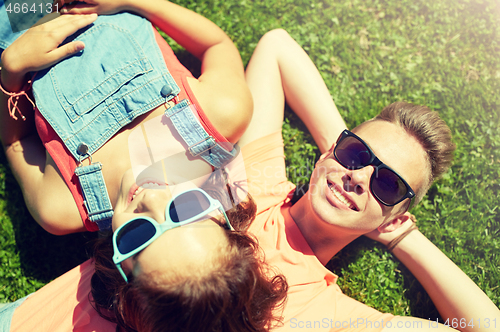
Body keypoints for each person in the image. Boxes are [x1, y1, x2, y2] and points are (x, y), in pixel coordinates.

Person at [0, 1, 287, 331]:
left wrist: (12, 70)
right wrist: (132, 1)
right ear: (221, 216)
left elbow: (14, 141)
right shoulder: (219, 115)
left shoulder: (61, 206)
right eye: (185, 210)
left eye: (138, 235)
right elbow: (215, 45)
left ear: (119, 275)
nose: (151, 199)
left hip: (14, 25)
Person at [237, 29, 500, 331]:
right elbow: (277, 46)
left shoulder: (327, 312)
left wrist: (403, 235)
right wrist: (338, 160)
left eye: (388, 184)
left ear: (394, 217)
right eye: (356, 153)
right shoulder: (258, 182)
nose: (359, 177)